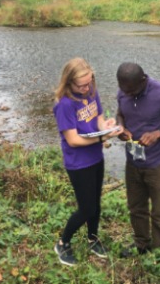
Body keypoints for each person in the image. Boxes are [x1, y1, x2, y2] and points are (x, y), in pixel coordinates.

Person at [53, 57, 122, 266]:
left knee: (96, 204)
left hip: (95, 157)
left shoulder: (91, 92)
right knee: (86, 208)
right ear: (69, 82)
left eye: (89, 83)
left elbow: (98, 117)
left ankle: (93, 238)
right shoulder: (64, 105)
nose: (86, 88)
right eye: (81, 85)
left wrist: (106, 125)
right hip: (78, 163)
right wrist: (103, 137)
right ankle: (63, 242)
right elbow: (73, 140)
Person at [115, 62, 160, 256]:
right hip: (133, 162)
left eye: (131, 91)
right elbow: (120, 114)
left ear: (143, 80)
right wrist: (120, 128)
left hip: (158, 163)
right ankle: (141, 244)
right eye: (124, 90)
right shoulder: (124, 91)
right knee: (136, 207)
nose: (127, 94)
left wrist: (159, 134)